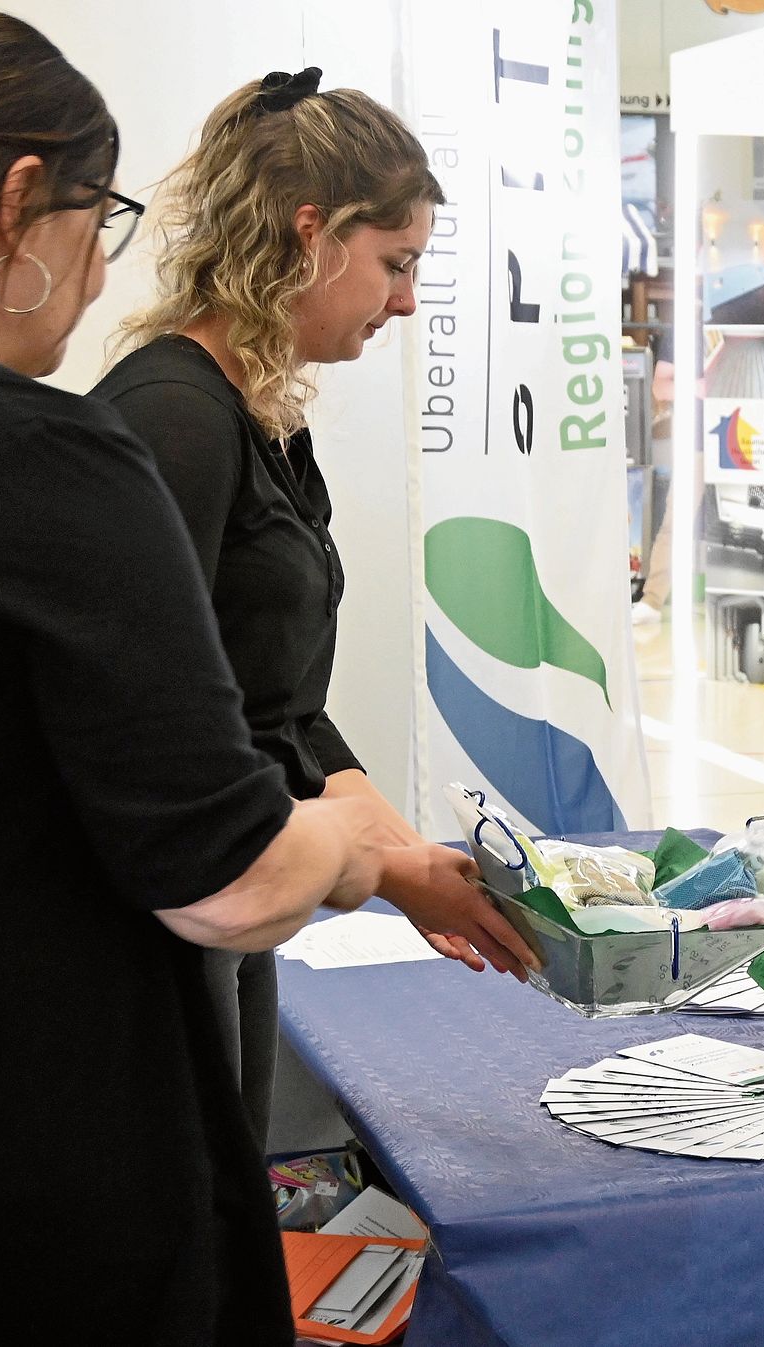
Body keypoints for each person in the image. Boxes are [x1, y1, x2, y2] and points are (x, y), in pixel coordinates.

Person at [0, 11, 395, 1340]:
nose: (99, 277)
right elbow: (225, 880)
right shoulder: (36, 458)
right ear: (16, 201)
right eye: (93, 222)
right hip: (0, 1184)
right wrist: (342, 841)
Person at [93, 69, 539, 1150]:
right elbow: (149, 723)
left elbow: (279, 705)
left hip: (236, 886)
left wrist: (424, 866)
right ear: (311, 235)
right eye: (395, 264)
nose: (405, 300)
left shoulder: (265, 421)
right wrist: (382, 870)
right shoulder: (173, 420)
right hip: (167, 906)